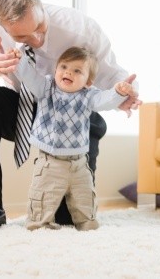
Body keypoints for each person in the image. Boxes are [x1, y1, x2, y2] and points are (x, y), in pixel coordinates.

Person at [0, 0, 141, 232]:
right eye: (23, 36)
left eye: (40, 26)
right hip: (26, 111)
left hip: (75, 122)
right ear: (1, 25)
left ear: (41, 6)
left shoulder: (81, 28)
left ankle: (70, 200)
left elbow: (114, 75)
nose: (37, 38)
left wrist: (127, 92)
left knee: (67, 219)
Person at [14, 46, 136, 231]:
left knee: (85, 201)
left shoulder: (89, 96)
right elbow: (30, 78)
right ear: (55, 70)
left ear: (88, 81)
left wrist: (118, 92)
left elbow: (106, 100)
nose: (68, 72)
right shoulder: (46, 88)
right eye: (63, 67)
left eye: (77, 70)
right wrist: (20, 60)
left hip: (79, 164)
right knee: (42, 200)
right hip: (50, 163)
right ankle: (39, 225)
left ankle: (87, 226)